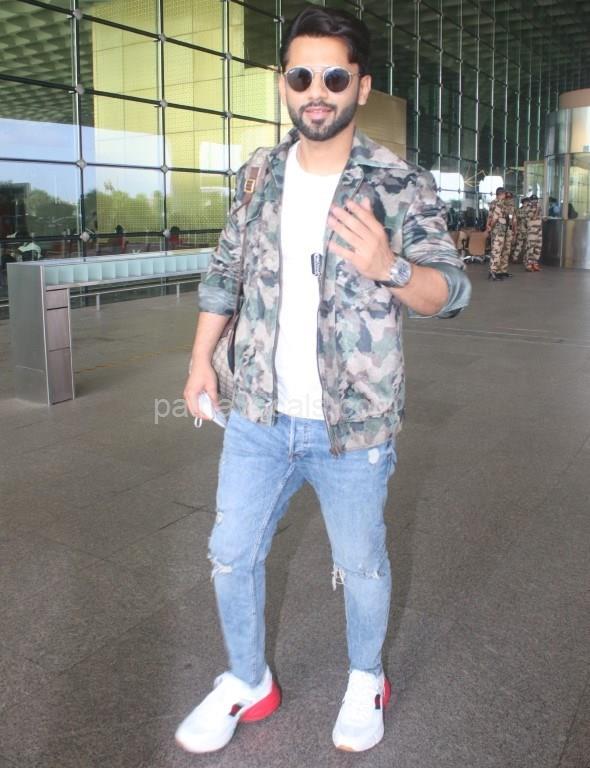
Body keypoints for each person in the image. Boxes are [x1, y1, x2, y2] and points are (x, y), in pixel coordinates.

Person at [178, 7, 471, 755]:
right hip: (258, 415)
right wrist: (200, 360)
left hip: (354, 425)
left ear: (360, 87)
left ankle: (366, 677)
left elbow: (451, 292)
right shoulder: (258, 175)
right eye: (302, 76)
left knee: (361, 564)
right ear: (284, 84)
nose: (317, 91)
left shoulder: (397, 183)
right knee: (230, 553)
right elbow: (225, 274)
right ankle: (248, 679)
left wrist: (389, 267)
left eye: (334, 77)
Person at [486, 189, 514, 280]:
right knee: (496, 251)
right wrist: (490, 227)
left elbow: (509, 217)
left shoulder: (503, 203)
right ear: (501, 194)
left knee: (503, 251)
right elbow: (492, 217)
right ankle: (493, 272)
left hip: (504, 230)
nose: (506, 196)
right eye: (505, 194)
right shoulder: (497, 203)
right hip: (498, 230)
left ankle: (501, 271)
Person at [524, 194, 543, 271]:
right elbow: (534, 217)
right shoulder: (528, 208)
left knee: (538, 247)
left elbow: (539, 217)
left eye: (536, 200)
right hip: (532, 231)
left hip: (538, 230)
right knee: (530, 248)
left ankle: (535, 263)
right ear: (530, 201)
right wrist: (537, 209)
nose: (535, 202)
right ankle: (528, 264)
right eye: (533, 200)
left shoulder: (539, 208)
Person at [511, 196, 529, 264]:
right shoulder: (526, 210)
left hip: (523, 230)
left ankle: (515, 257)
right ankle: (521, 259)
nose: (527, 203)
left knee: (521, 245)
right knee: (523, 245)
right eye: (526, 202)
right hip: (524, 230)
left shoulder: (519, 210)